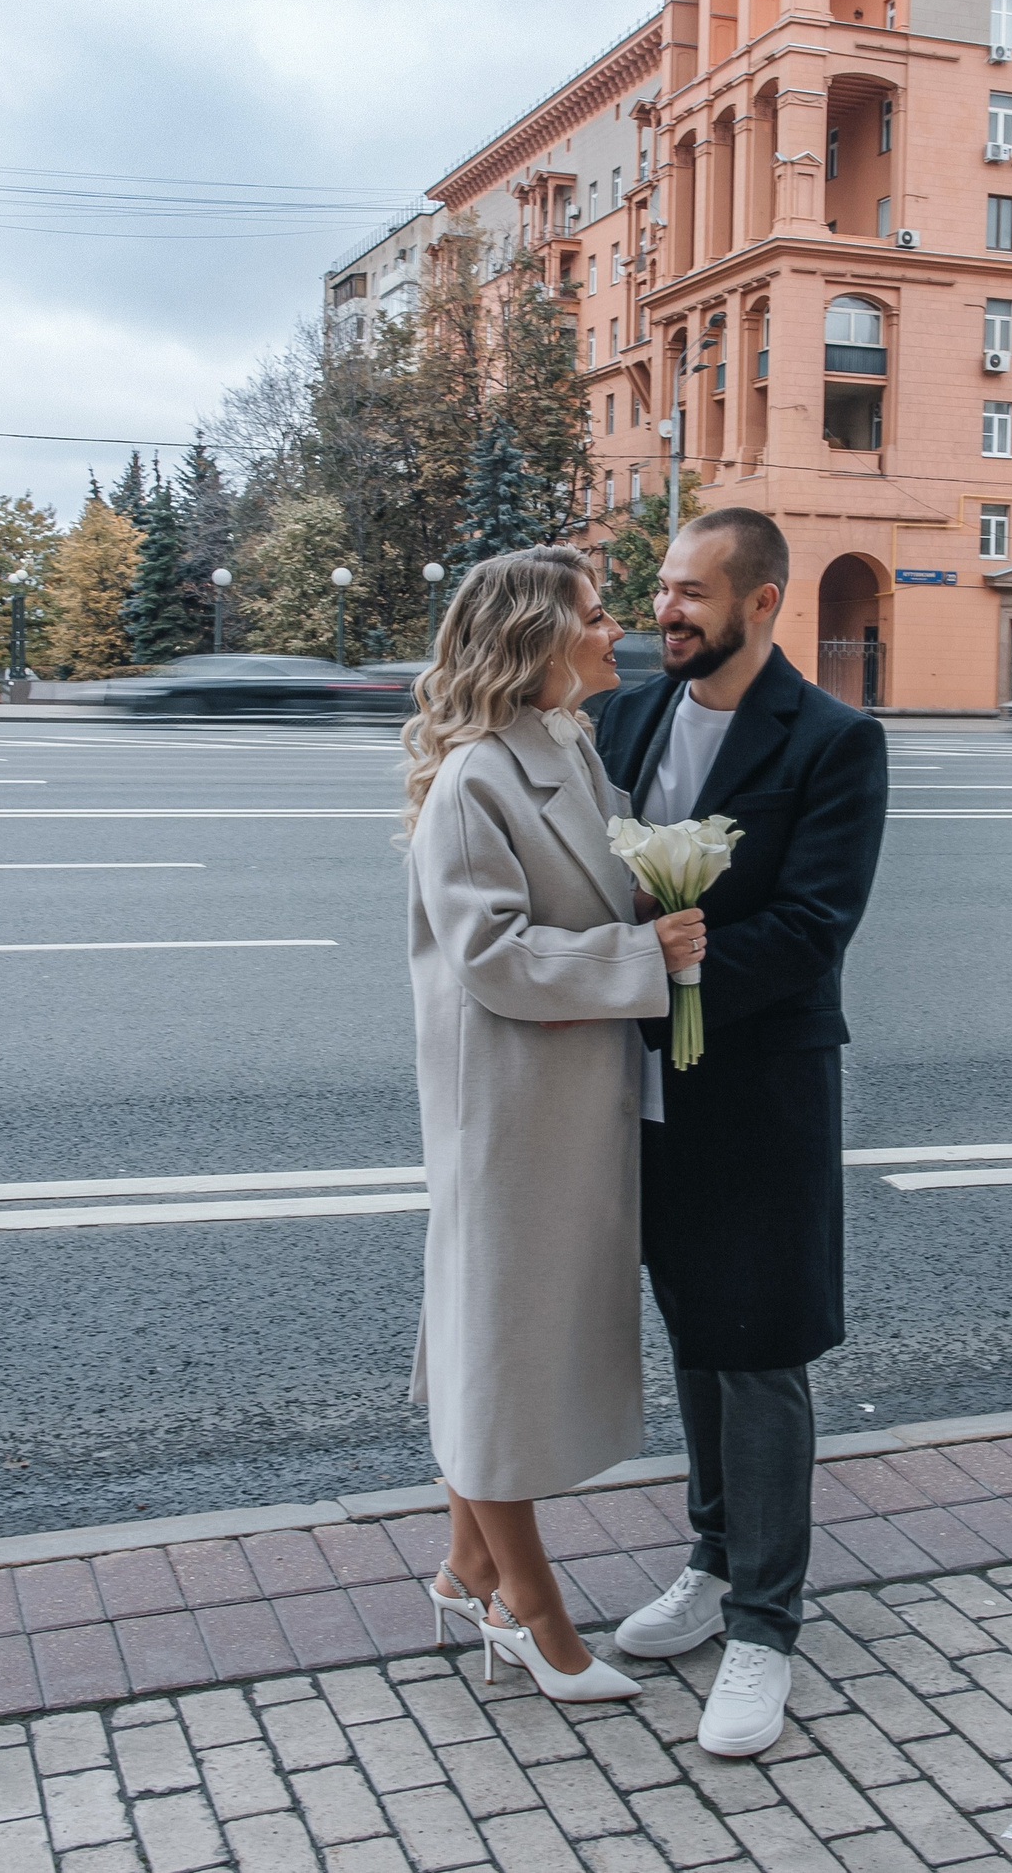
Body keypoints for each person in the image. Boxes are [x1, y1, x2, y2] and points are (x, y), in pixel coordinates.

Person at [595, 507, 888, 1759]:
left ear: (762, 602)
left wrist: (666, 975)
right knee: (695, 1334)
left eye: (692, 594)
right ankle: (712, 1565)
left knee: (760, 1348)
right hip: (643, 1087)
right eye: (663, 589)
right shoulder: (624, 716)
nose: (666, 611)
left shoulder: (833, 740)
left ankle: (766, 1626)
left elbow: (816, 926)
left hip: (760, 1084)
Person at [402, 545, 705, 1703]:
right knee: (502, 1357)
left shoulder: (567, 746)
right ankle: (533, 1613)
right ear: (536, 638)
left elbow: (580, 882)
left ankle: (461, 1571)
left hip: (565, 1099)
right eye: (593, 611)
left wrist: (655, 895)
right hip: (511, 1111)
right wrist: (645, 953)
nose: (614, 624)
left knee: (506, 1340)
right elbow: (490, 956)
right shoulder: (478, 774)